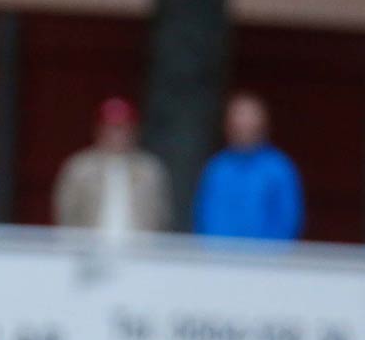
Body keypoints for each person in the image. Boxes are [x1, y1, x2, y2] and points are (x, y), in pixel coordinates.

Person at [52, 96, 170, 235]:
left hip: (139, 252)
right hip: (89, 250)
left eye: (123, 128)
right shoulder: (79, 168)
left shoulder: (150, 169)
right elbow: (66, 215)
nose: (118, 135)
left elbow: (162, 217)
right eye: (113, 128)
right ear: (99, 130)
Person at [194, 92, 303, 241]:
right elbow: (202, 216)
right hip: (216, 259)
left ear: (263, 123)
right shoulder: (217, 167)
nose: (243, 124)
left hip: (263, 261)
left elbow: (288, 220)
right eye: (237, 118)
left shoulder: (279, 168)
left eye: (249, 118)